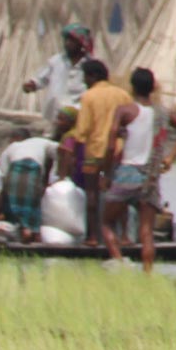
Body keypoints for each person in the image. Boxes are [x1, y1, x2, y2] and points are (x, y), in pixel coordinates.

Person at [100, 68, 176, 270]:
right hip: (150, 178)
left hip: (127, 174)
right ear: (153, 88)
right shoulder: (161, 112)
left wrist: (107, 173)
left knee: (106, 222)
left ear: (132, 87)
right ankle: (147, 274)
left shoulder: (125, 110)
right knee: (146, 232)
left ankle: (118, 263)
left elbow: (110, 145)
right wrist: (170, 157)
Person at [72, 60, 130, 248]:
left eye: (86, 77)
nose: (85, 81)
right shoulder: (123, 94)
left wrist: (75, 154)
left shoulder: (89, 96)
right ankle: (124, 236)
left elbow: (82, 131)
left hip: (95, 152)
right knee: (120, 195)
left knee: (92, 194)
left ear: (93, 76)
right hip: (119, 152)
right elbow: (130, 123)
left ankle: (93, 237)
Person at [22, 21, 94, 131]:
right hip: (55, 115)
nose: (67, 43)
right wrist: (32, 85)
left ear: (80, 43)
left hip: (77, 116)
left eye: (71, 41)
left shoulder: (90, 64)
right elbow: (41, 79)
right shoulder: (56, 61)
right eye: (66, 40)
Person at [0, 132, 59, 243]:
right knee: (32, 202)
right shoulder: (42, 142)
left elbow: (3, 173)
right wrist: (53, 178)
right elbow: (62, 151)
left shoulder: (12, 146)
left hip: (14, 169)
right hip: (33, 168)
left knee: (13, 203)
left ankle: (18, 229)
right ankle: (31, 230)